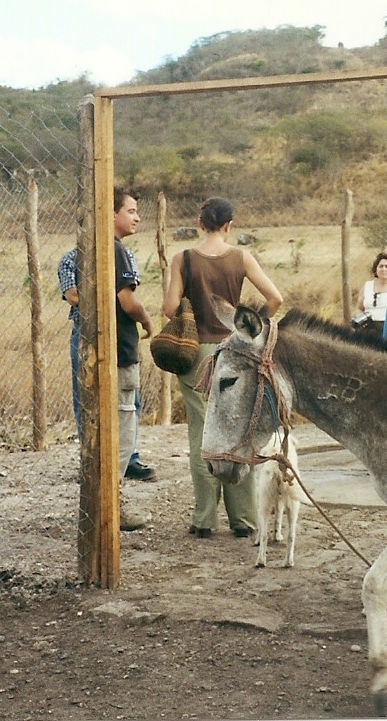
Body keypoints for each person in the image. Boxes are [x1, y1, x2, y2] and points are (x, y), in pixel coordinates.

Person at [162, 196, 283, 539]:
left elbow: (169, 308)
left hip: (196, 353)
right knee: (239, 428)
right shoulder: (241, 258)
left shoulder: (182, 259)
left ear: (200, 223)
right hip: (237, 351)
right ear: (229, 226)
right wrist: (248, 329)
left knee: (203, 430)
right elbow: (275, 298)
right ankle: (243, 520)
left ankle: (204, 519)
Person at [57, 188, 156, 531]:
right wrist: (145, 319)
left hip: (90, 341)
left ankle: (96, 502)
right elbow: (123, 301)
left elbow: (78, 296)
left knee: (96, 417)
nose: (137, 217)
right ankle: (110, 505)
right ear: (110, 215)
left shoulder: (89, 255)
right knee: (120, 422)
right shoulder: (114, 254)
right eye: (130, 210)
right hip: (112, 346)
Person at [352, 251, 387, 340]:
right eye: (380, 266)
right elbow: (358, 308)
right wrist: (360, 317)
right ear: (376, 270)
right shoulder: (367, 286)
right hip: (367, 330)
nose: (383, 269)